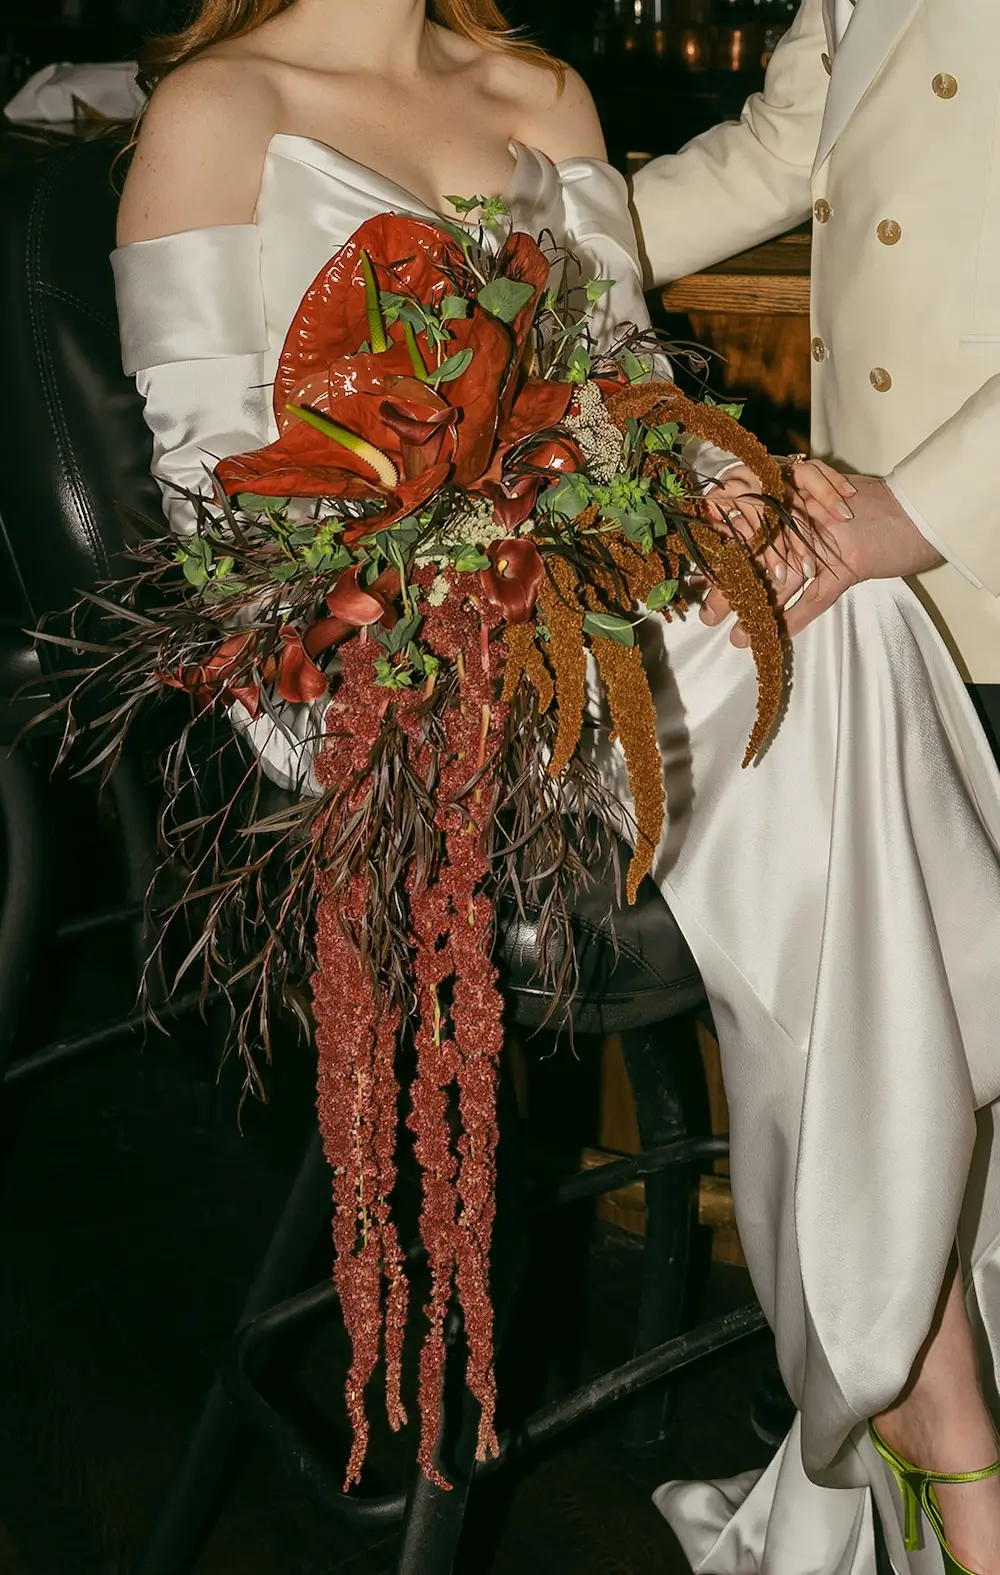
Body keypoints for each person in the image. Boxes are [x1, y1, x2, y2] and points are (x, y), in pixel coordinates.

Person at [112, 1, 1000, 1570]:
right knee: (839, 697)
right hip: (397, 697)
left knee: (844, 610)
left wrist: (711, 472)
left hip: (613, 637)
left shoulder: (543, 90)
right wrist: (465, 618)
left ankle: (924, 1378)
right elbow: (224, 536)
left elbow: (615, 393)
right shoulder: (218, 110)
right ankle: (934, 1387)